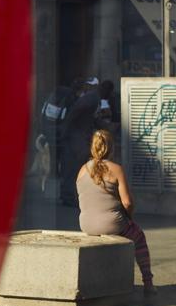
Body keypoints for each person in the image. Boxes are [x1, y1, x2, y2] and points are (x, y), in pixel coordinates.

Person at [76, 130, 156, 294]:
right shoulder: (116, 169)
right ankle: (148, 283)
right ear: (112, 149)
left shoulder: (82, 170)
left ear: (93, 148)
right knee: (139, 237)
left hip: (86, 225)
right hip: (111, 224)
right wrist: (129, 217)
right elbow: (127, 202)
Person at [57, 78, 101, 206]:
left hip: (75, 138)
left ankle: (68, 196)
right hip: (76, 140)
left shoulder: (88, 97)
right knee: (73, 168)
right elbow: (75, 114)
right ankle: (69, 196)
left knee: (71, 168)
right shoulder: (90, 98)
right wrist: (65, 131)